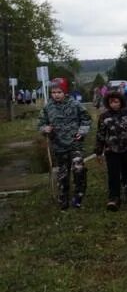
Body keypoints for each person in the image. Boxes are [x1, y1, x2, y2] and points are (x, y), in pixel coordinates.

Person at [38, 78, 90, 210]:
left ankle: (78, 195)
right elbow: (41, 123)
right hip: (59, 146)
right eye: (53, 92)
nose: (56, 95)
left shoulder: (75, 104)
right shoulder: (47, 107)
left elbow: (86, 118)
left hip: (75, 144)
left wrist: (82, 131)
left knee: (78, 169)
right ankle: (63, 197)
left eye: (59, 92)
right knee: (63, 174)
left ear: (65, 92)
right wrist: (45, 129)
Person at [95, 89, 127, 211]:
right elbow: (100, 135)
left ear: (121, 101)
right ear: (108, 103)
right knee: (113, 174)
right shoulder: (104, 117)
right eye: (111, 102)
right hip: (111, 150)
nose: (114, 104)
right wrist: (98, 151)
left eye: (116, 102)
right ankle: (114, 198)